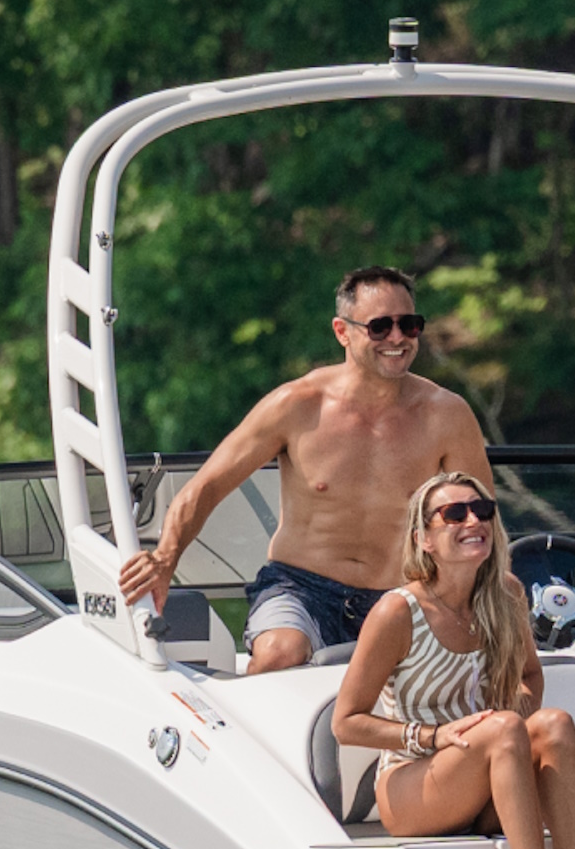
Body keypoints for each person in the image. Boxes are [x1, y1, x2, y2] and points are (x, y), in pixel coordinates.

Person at [118, 266, 490, 672]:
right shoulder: (296, 404)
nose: (397, 338)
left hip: (402, 595)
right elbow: (206, 487)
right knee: (280, 653)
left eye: (409, 324)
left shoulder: (446, 415)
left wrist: (486, 601)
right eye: (380, 326)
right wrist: (164, 560)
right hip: (300, 588)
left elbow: (484, 520)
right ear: (342, 331)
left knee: (461, 674)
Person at [332, 471, 575, 849]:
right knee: (504, 727)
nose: (473, 521)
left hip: (483, 776)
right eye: (454, 514)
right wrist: (435, 736)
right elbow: (346, 723)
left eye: (482, 510)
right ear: (423, 539)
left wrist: (508, 728)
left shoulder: (506, 594)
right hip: (411, 784)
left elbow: (530, 675)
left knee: (555, 724)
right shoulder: (398, 611)